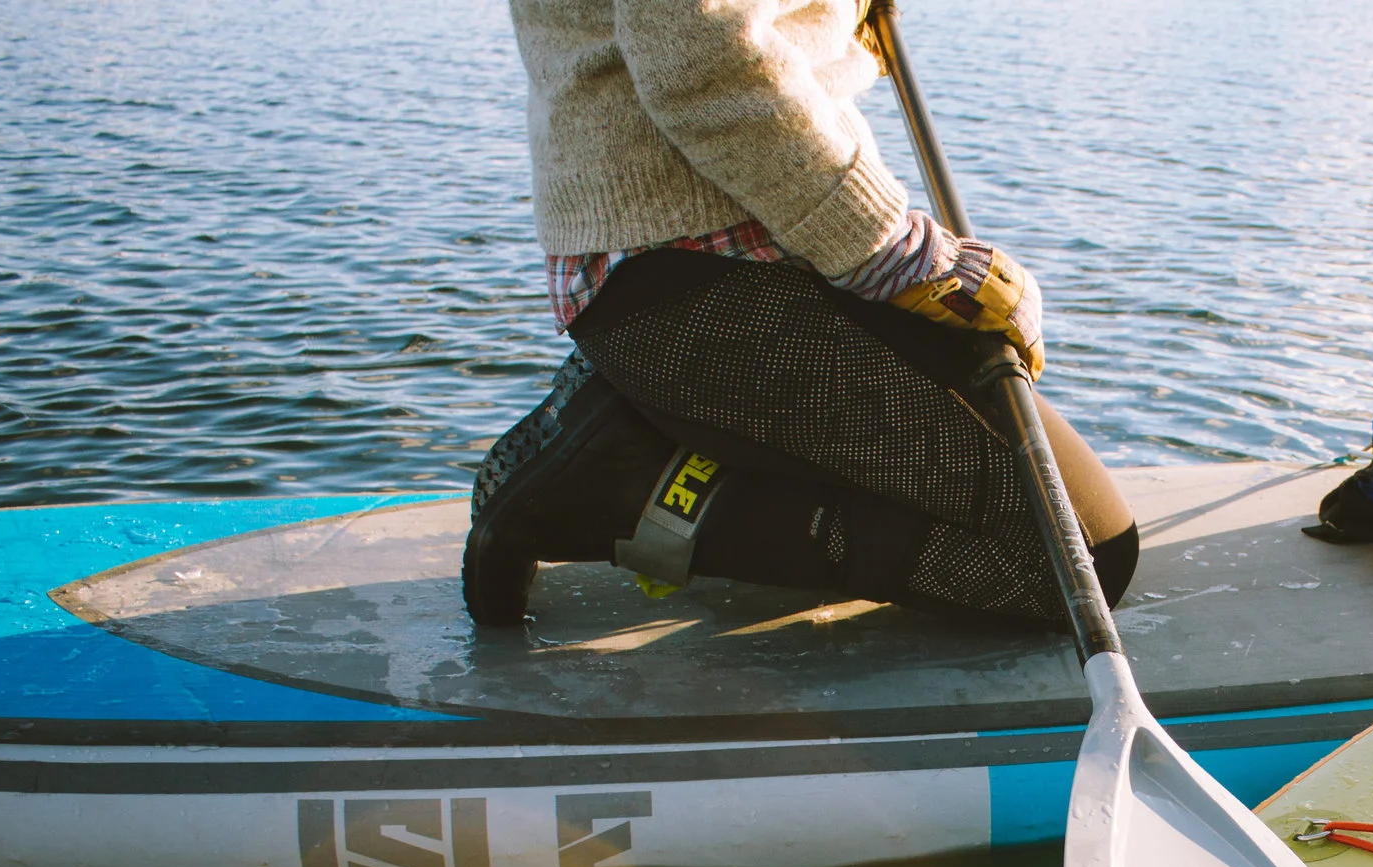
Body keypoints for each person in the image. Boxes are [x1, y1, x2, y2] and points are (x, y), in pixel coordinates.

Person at [468, 0, 1137, 629]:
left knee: (1056, 532)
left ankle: (653, 422)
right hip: (698, 271)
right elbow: (695, 53)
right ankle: (608, 488)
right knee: (1072, 559)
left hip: (705, 251)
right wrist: (900, 256)